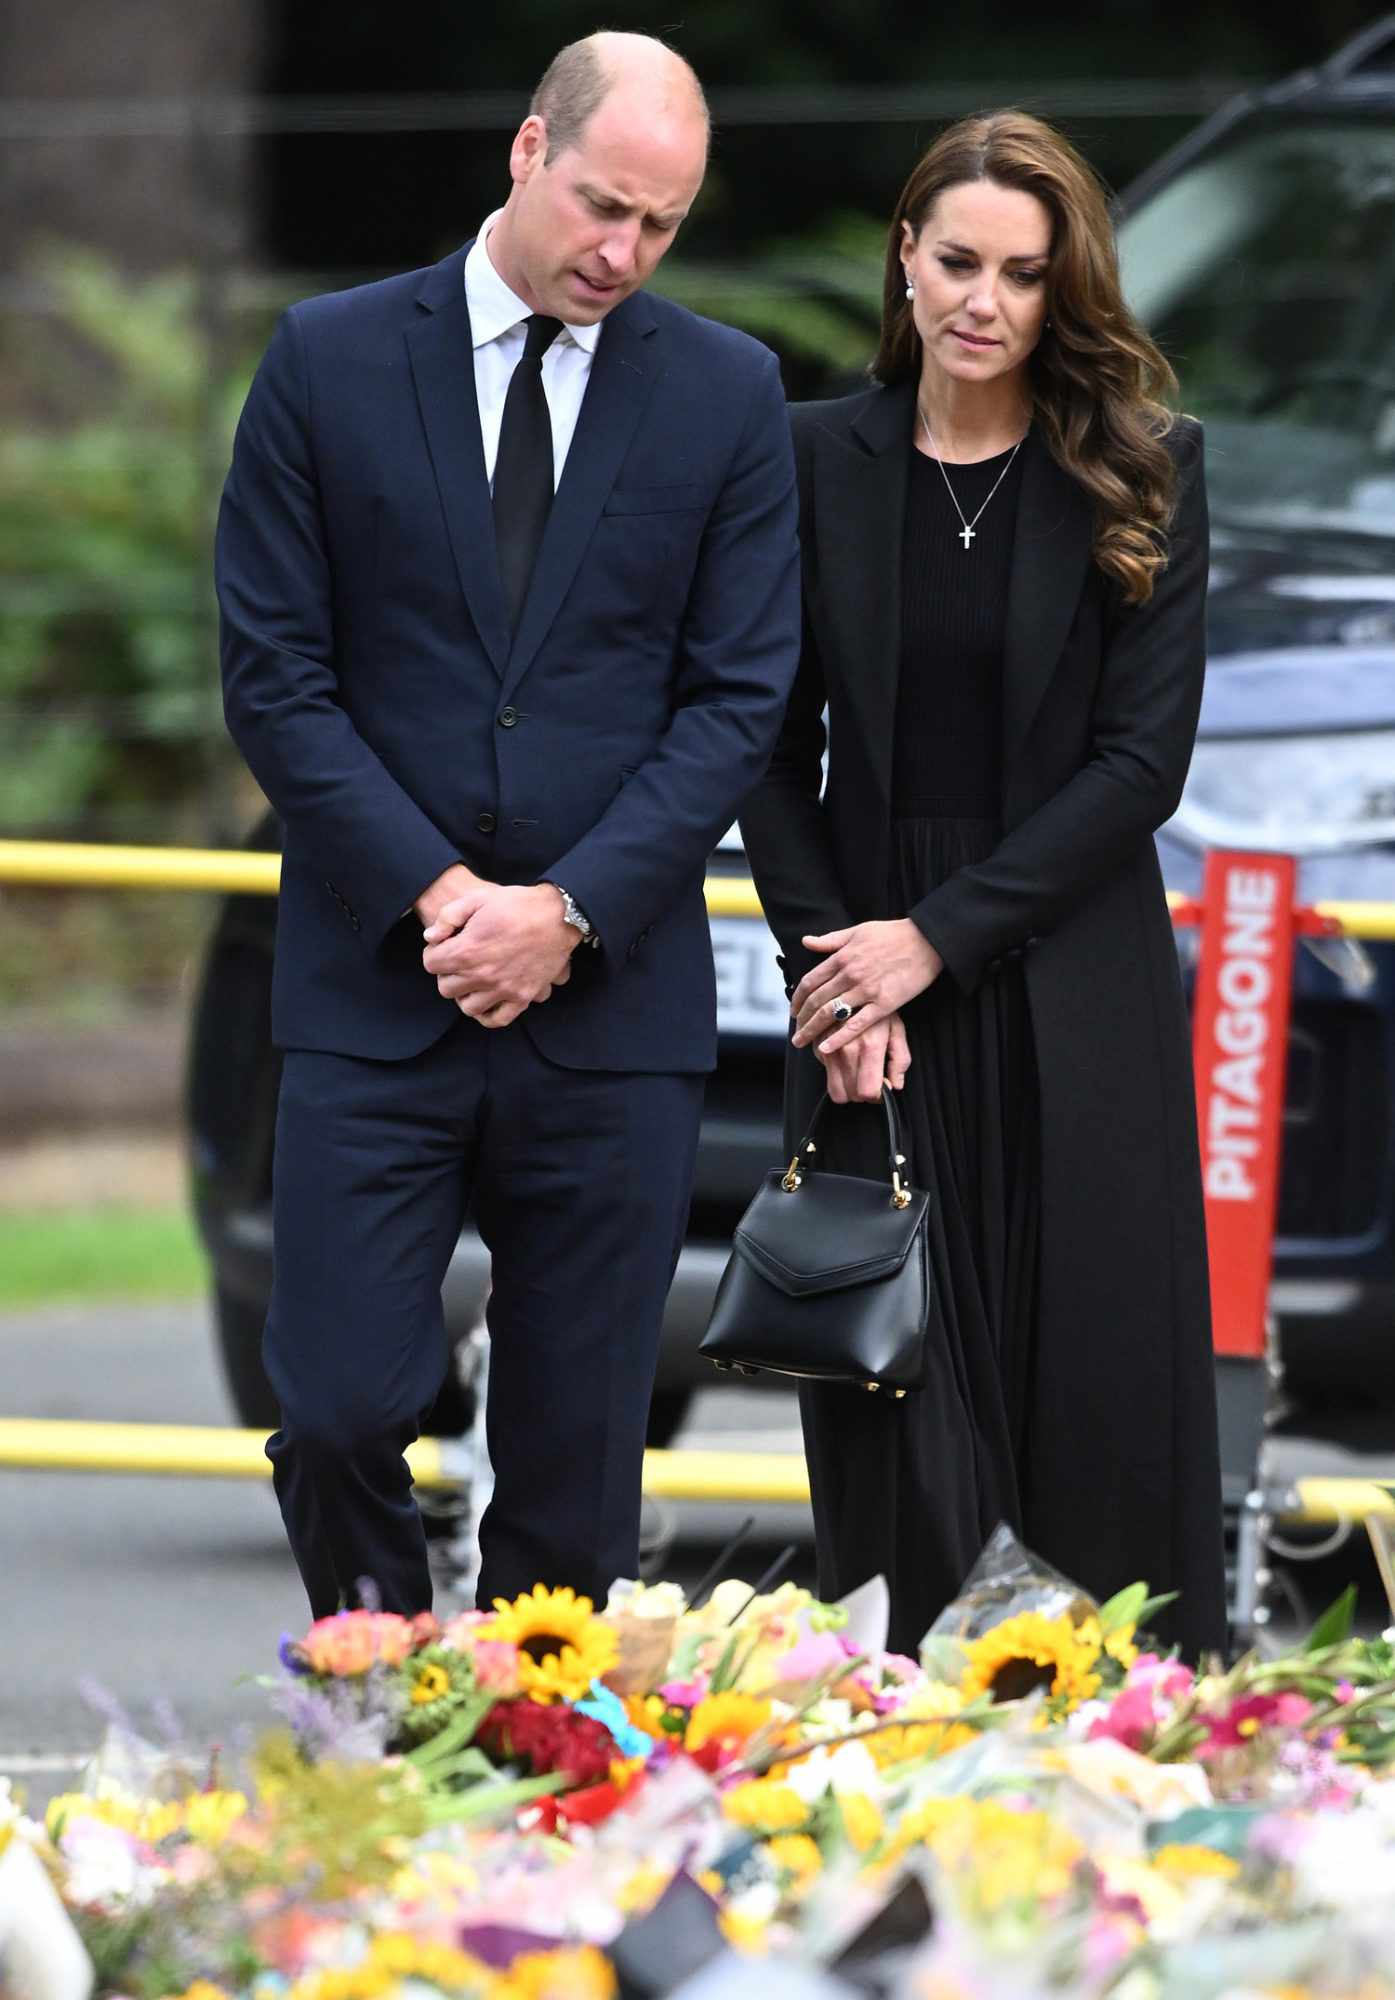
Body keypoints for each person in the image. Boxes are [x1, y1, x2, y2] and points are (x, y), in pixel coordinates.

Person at [215, 32, 800, 1620]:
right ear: (526, 153)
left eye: (662, 225)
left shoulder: (729, 394)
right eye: (605, 204)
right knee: (335, 1409)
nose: (623, 252)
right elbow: (275, 681)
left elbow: (738, 703)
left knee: (577, 1467)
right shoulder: (326, 359)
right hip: (370, 993)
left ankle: (538, 1792)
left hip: (611, 1008)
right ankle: (395, 1696)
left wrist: (569, 912)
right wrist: (440, 895)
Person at [739, 110, 1227, 1659]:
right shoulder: (811, 458)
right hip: (866, 1001)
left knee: (1094, 1409)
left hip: (1073, 983)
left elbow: (1138, 768)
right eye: (957, 260)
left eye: (1024, 274)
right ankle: (916, 1770)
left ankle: (1116, 1783)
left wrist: (930, 943)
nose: (983, 300)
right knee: (898, 1420)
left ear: (1061, 287)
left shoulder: (1143, 468)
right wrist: (840, 977)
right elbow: (765, 747)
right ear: (905, 255)